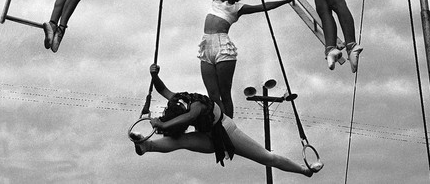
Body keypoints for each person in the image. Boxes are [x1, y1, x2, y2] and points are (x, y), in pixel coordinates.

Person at [131, 64, 322, 177]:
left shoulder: (196, 105)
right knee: (181, 141)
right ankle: (146, 146)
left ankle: (305, 170)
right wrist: (154, 75)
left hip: (227, 132)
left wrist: (162, 124)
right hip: (209, 138)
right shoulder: (176, 99)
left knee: (267, 158)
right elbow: (162, 89)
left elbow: (189, 117)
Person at [201, 0, 295, 118]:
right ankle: (218, 125)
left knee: (224, 92)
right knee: (213, 95)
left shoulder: (238, 7)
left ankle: (229, 125)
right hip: (206, 45)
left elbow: (264, 6)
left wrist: (285, 1)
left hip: (222, 46)